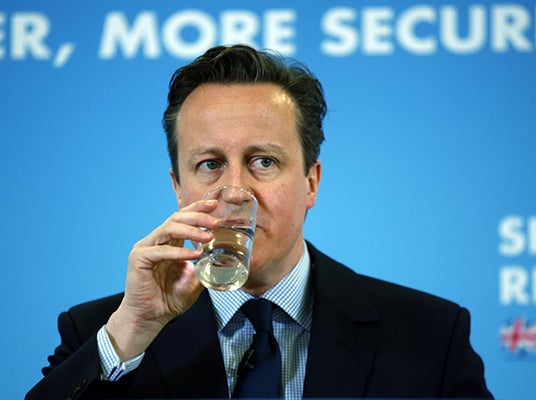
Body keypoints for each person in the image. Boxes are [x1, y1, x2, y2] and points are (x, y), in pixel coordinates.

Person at [26, 44, 493, 399]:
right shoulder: (103, 331)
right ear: (178, 188)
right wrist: (130, 332)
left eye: (263, 161)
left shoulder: (431, 334)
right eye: (209, 164)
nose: (236, 192)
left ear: (311, 182)